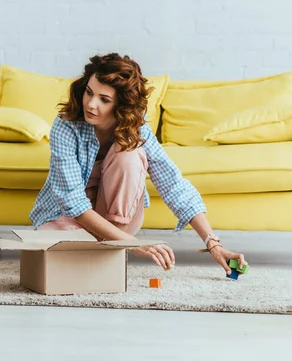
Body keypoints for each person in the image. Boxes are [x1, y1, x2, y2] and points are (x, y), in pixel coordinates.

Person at [30, 53, 247, 275]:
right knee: (57, 251)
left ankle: (109, 245)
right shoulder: (66, 125)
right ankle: (105, 248)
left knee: (129, 153)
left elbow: (172, 184)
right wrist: (134, 243)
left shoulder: (136, 129)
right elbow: (73, 202)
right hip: (69, 219)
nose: (91, 104)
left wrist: (214, 245)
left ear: (121, 106)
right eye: (89, 92)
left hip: (117, 222)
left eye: (104, 100)